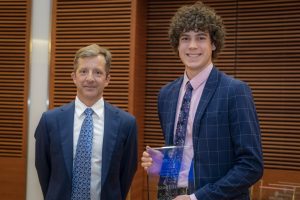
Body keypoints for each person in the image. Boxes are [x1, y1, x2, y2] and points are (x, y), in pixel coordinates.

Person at [141, 1, 263, 200]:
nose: (192, 46)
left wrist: (197, 198)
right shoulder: (166, 95)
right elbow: (188, 158)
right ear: (177, 44)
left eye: (201, 38)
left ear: (213, 43)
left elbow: (251, 165)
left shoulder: (235, 91)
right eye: (185, 38)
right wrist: (164, 165)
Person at [35, 44, 138, 200]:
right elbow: (43, 168)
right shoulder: (50, 121)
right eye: (83, 71)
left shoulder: (126, 124)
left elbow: (126, 172)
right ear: (74, 77)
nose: (90, 78)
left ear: (107, 79)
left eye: (97, 72)